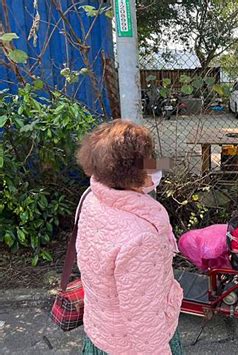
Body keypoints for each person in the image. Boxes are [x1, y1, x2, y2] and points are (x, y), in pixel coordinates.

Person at [75, 120, 184, 354]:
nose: (155, 167)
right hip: (132, 345)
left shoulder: (92, 199)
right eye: (149, 161)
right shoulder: (141, 239)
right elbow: (143, 317)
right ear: (137, 173)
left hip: (101, 329)